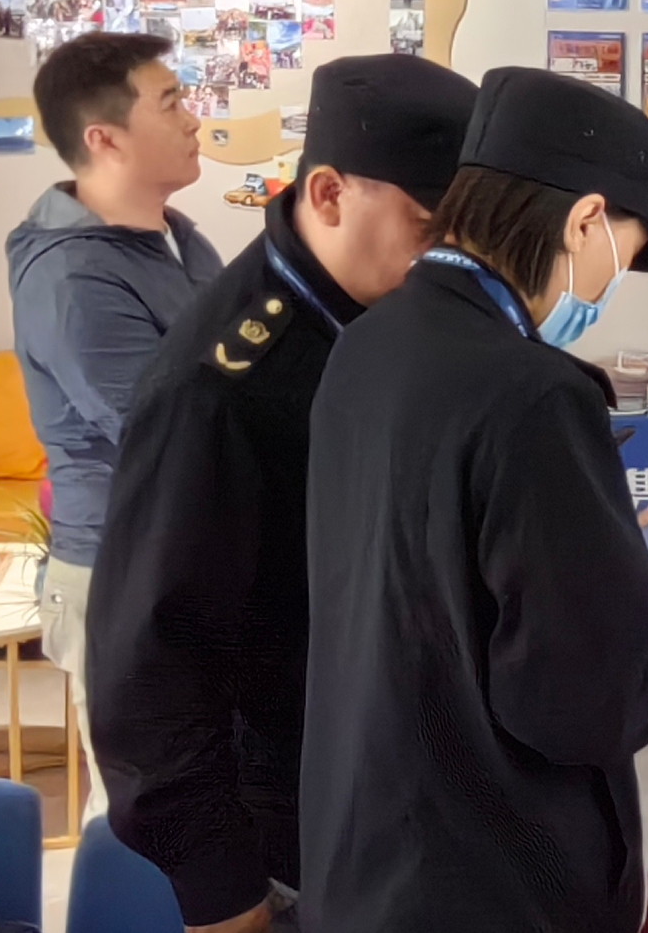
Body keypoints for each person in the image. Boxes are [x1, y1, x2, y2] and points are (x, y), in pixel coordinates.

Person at [300, 67, 648, 933]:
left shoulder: (368, 342)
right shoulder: (536, 392)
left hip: (369, 851)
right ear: (584, 220)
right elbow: (576, 704)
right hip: (491, 872)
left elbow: (440, 577)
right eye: (625, 253)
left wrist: (612, 557)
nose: (614, 281)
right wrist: (642, 593)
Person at [86, 55, 477, 933]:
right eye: (427, 228)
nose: (445, 258)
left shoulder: (377, 313)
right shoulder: (222, 386)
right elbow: (150, 664)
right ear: (330, 194)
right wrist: (221, 892)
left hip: (391, 778)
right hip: (286, 818)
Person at [6, 31, 221, 823]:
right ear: (105, 138)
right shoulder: (73, 275)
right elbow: (166, 433)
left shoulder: (178, 238)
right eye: (170, 103)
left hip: (190, 557)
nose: (193, 119)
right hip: (120, 572)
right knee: (144, 819)